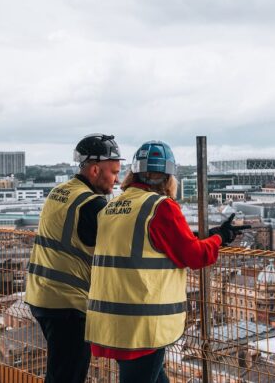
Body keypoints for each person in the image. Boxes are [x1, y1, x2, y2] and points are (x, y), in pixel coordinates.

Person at [85, 140, 244, 383]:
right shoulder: (160, 207)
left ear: (133, 173)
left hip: (113, 319)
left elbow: (153, 243)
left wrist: (207, 235)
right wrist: (220, 237)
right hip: (142, 323)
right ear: (169, 178)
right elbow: (194, 256)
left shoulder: (113, 206)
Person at [25, 133, 123, 383]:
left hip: (41, 295)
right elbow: (130, 241)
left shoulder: (59, 191)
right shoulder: (92, 205)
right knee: (67, 376)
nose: (117, 179)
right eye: (113, 172)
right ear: (94, 170)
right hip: (68, 305)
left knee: (60, 372)